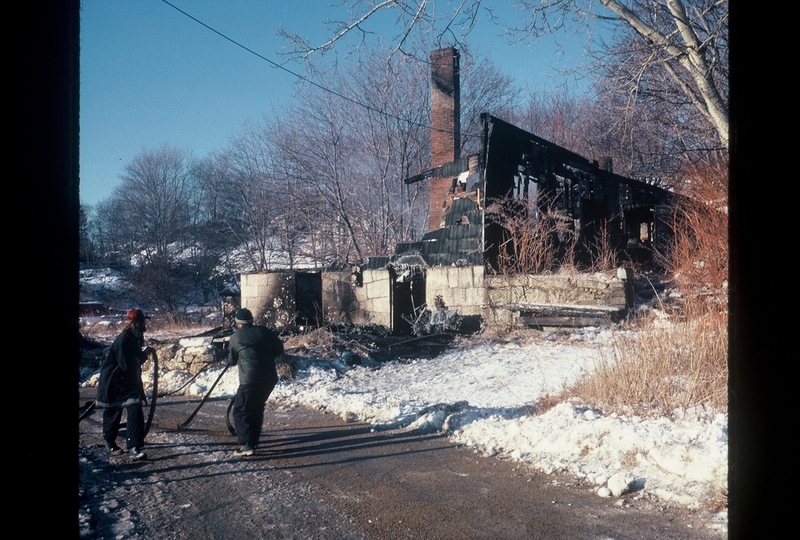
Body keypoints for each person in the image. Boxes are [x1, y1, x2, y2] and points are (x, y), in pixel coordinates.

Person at [96, 308, 154, 460]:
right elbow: (127, 365)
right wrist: (143, 356)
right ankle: (110, 442)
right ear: (135, 324)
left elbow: (133, 361)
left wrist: (143, 354)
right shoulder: (124, 339)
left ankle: (134, 447)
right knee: (113, 412)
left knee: (135, 409)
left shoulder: (135, 338)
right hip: (113, 382)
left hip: (127, 382)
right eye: (142, 322)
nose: (144, 325)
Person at [227, 308, 284, 457]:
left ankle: (247, 444)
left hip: (250, 380)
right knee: (257, 408)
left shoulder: (235, 337)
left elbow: (231, 361)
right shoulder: (265, 331)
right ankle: (253, 442)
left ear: (238, 323)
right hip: (269, 378)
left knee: (241, 410)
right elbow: (279, 349)